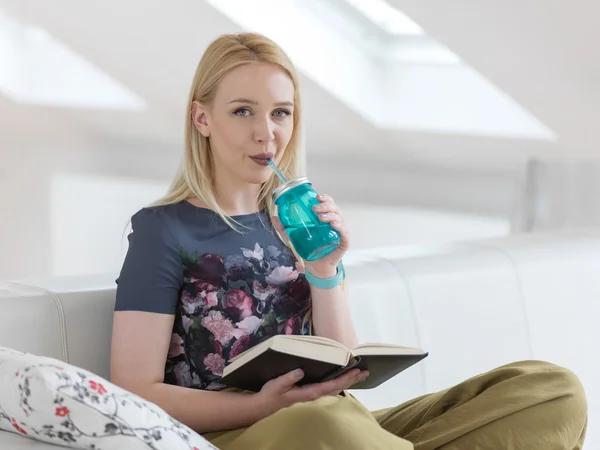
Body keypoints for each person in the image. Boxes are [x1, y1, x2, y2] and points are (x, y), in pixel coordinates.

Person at [110, 32, 588, 450]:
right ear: (202, 119)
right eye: (243, 112)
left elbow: (342, 362)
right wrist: (260, 407)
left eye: (281, 112)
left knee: (550, 390)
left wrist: (325, 268)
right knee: (326, 423)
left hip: (338, 424)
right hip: (250, 433)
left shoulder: (292, 218)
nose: (266, 133)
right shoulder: (163, 230)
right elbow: (135, 390)